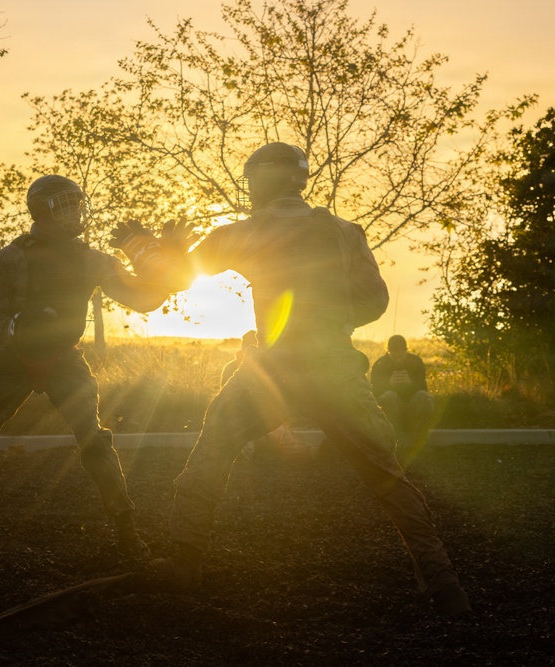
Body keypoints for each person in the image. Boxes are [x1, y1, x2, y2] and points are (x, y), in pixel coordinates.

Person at [118, 142, 470, 614]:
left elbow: (173, 279)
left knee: (211, 454)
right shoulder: (346, 232)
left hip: (274, 369)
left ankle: (185, 567)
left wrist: (141, 245)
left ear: (260, 179)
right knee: (387, 475)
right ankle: (445, 585)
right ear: (299, 180)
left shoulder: (245, 231)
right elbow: (375, 301)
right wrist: (326, 324)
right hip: (336, 366)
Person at [0, 175, 171, 560]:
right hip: (13, 360)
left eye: (79, 203)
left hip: (65, 357)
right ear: (42, 209)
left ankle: (127, 530)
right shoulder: (7, 258)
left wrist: (155, 256)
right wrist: (15, 328)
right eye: (67, 204)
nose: (77, 211)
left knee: (94, 440)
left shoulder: (94, 260)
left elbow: (145, 300)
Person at [222, 329, 304, 460]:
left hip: (260, 413)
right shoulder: (233, 368)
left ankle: (290, 448)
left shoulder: (263, 367)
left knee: (277, 429)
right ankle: (252, 445)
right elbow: (229, 399)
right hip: (240, 413)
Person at [370, 334, 435, 464]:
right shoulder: (380, 364)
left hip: (412, 407)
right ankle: (394, 445)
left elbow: (423, 388)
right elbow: (374, 394)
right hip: (391, 409)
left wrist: (410, 384)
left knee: (425, 397)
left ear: (406, 350)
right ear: (388, 351)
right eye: (395, 354)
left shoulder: (416, 362)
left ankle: (421, 444)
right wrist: (389, 385)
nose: (398, 357)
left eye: (401, 353)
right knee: (390, 396)